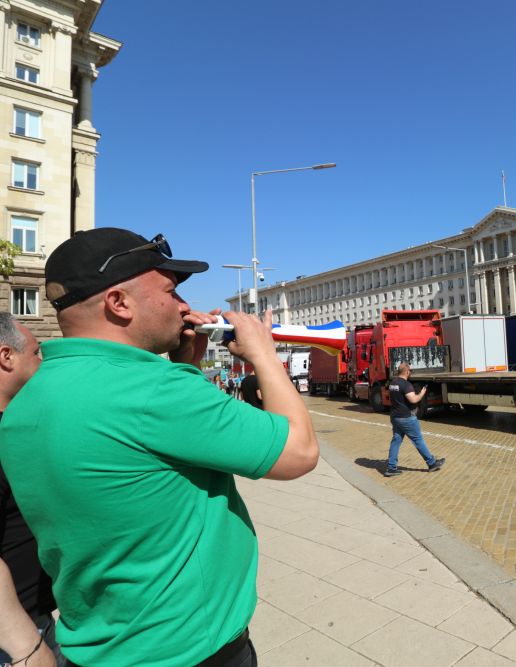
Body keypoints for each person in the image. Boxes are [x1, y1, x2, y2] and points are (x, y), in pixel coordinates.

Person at [0, 228, 319, 667]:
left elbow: (139, 459)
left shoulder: (28, 398)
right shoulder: (153, 391)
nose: (185, 306)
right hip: (189, 648)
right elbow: (298, 452)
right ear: (119, 303)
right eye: (171, 291)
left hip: (98, 642)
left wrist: (185, 367)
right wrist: (263, 355)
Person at [0, 314, 57, 667]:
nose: (42, 362)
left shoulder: (14, 424)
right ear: (6, 356)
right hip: (16, 637)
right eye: (36, 353)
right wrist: (26, 648)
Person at [384, 362, 444, 477]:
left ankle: (391, 468)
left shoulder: (393, 383)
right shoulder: (406, 385)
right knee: (418, 440)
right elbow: (413, 400)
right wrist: (421, 393)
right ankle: (432, 463)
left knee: (396, 441)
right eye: (410, 371)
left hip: (395, 416)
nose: (410, 372)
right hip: (406, 418)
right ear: (406, 372)